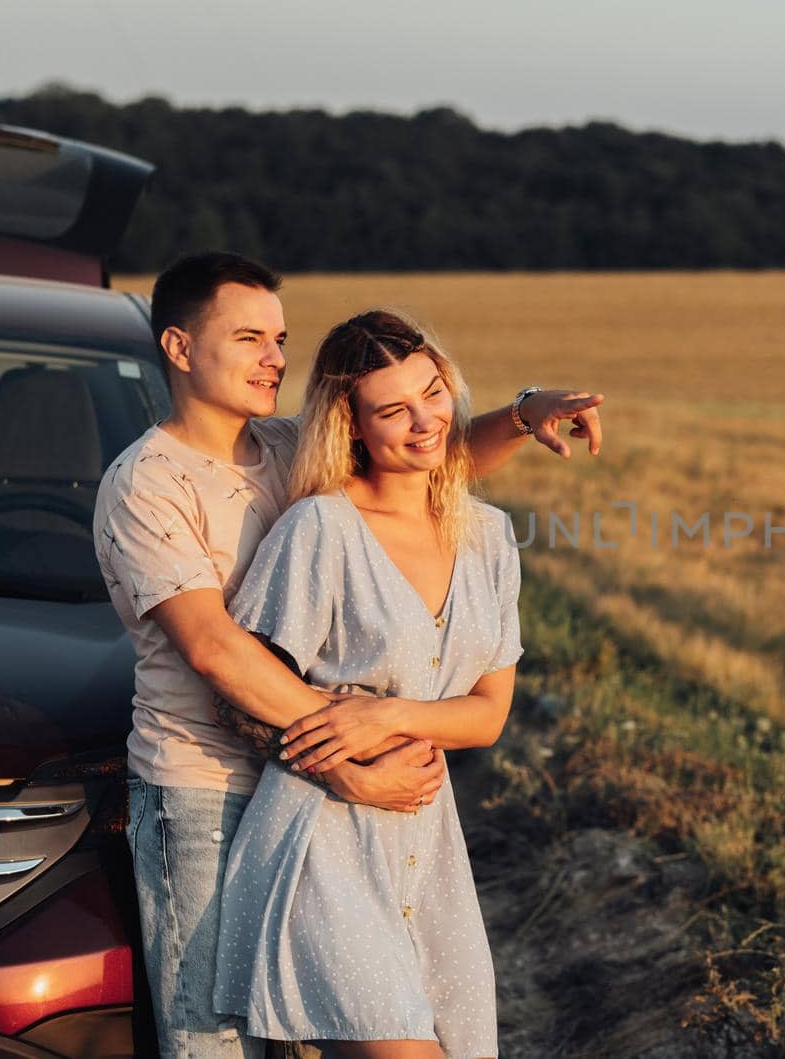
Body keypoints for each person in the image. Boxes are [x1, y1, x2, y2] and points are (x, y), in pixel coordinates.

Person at [92, 253, 604, 1058]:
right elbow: (219, 651)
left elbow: (424, 457)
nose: (275, 358)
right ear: (181, 349)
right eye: (250, 337)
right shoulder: (147, 482)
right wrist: (349, 753)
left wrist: (525, 410)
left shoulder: (287, 447)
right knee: (214, 1045)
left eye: (282, 337)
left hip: (314, 793)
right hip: (203, 786)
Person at [212, 310, 516, 1058]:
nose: (424, 422)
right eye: (392, 409)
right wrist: (348, 763)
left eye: (433, 393)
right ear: (350, 425)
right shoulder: (321, 529)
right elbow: (242, 693)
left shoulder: (491, 537)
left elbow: (488, 716)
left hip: (430, 849)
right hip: (322, 846)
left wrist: (388, 716)